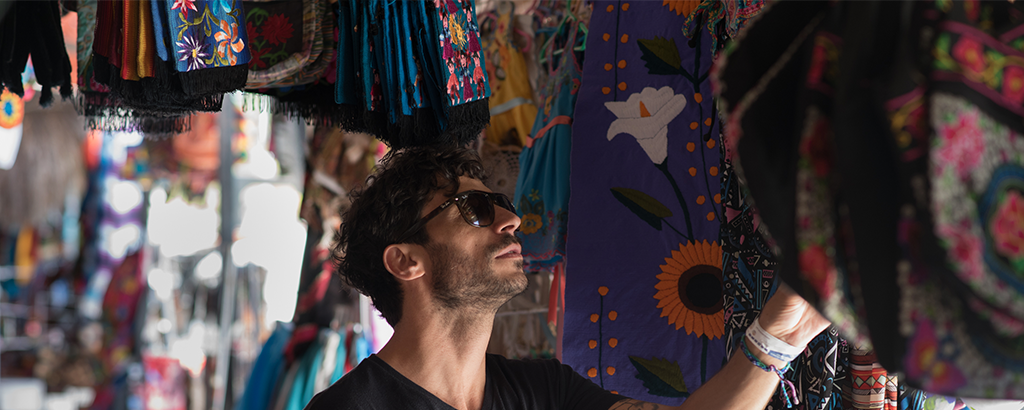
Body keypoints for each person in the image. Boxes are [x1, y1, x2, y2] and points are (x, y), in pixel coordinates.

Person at [305, 146, 831, 410]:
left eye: (501, 204)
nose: (510, 220)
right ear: (405, 262)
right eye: (473, 209)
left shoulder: (543, 390)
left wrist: (781, 335)